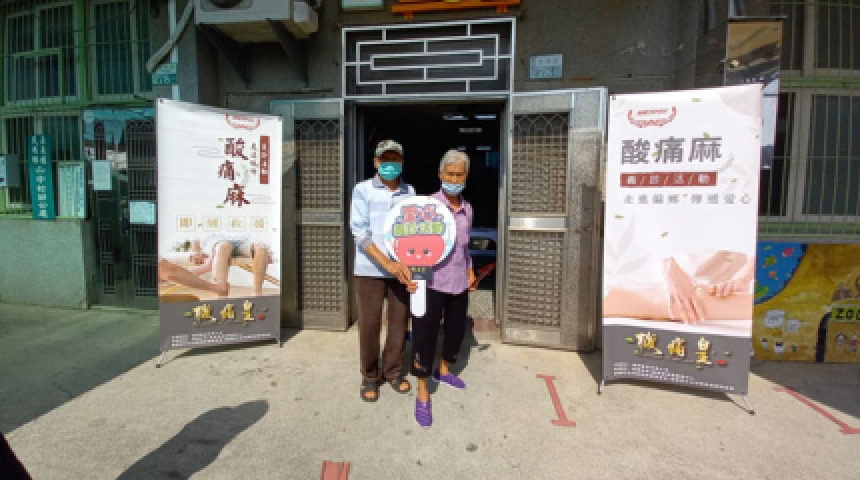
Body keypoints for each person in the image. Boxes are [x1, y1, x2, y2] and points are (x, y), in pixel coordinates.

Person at [411, 149, 477, 427]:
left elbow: (465, 247)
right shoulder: (428, 207)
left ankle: (444, 369)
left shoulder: (468, 209)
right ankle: (422, 389)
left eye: (459, 175)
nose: (454, 179)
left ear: (466, 176)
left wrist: (470, 271)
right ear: (440, 174)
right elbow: (413, 245)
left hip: (458, 282)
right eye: (449, 174)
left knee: (455, 330)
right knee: (424, 335)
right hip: (431, 282)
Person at [349, 139, 417, 402]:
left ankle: (394, 371)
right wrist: (387, 262)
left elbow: (413, 233)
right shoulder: (362, 190)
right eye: (385, 159)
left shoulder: (410, 192)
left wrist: (411, 267)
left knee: (399, 322)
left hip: (401, 268)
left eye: (395, 159)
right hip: (369, 268)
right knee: (369, 324)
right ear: (376, 162)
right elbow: (360, 233)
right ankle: (369, 376)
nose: (390, 164)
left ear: (402, 162)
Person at [158, 235, 272, 298]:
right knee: (223, 246)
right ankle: (222, 298)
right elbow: (169, 273)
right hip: (215, 239)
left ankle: (257, 295)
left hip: (243, 238)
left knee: (262, 248)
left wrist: (265, 254)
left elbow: (170, 274)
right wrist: (196, 251)